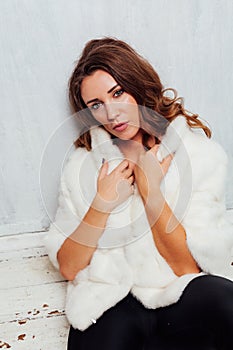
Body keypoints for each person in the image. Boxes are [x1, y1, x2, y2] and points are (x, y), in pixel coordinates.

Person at [44, 37, 233, 350]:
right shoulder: (83, 166)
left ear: (138, 85)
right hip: (112, 303)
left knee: (223, 301)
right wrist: (102, 204)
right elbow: (69, 266)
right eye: (96, 105)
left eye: (118, 93)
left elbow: (187, 269)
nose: (112, 113)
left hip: (178, 296)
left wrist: (150, 190)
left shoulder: (199, 155)